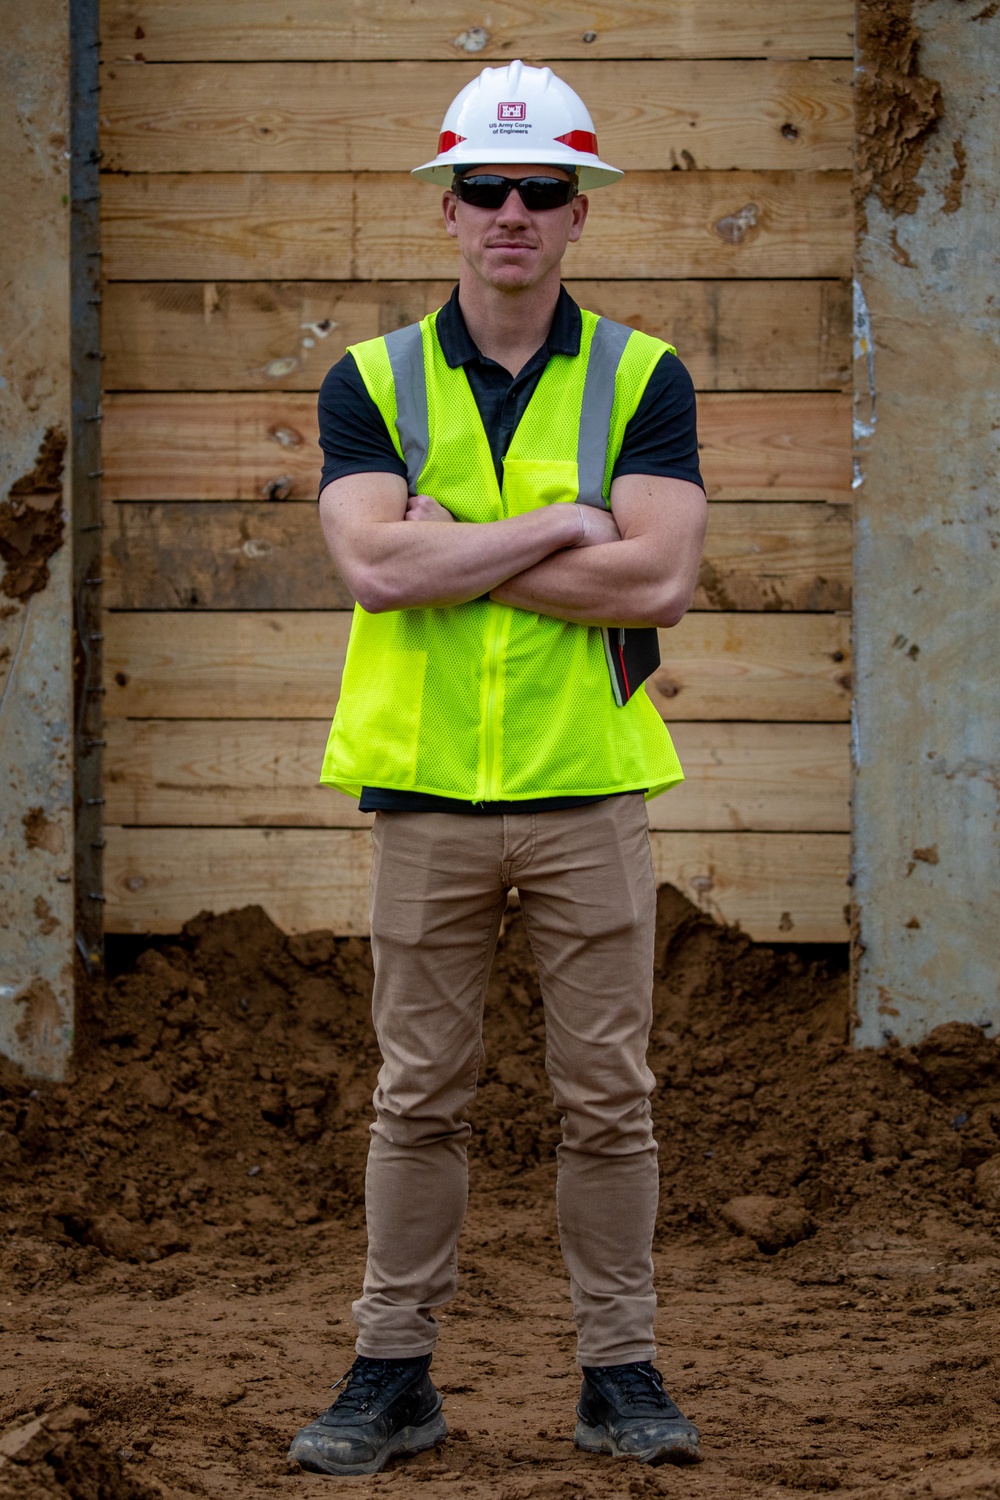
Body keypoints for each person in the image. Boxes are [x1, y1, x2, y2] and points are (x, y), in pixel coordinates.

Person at [288, 60, 707, 1477]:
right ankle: (392, 1372)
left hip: (587, 790)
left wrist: (453, 546)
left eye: (542, 188)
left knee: (611, 1100)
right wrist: (561, 524)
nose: (513, 212)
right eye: (487, 187)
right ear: (449, 209)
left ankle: (620, 1374)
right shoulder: (374, 378)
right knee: (418, 1098)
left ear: (579, 211)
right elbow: (368, 564)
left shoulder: (644, 375)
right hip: (425, 799)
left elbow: (659, 583)